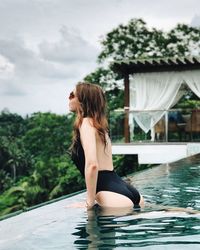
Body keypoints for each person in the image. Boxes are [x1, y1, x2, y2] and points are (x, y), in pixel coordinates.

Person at [68, 82, 144, 210]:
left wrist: (89, 203)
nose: (69, 98)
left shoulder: (86, 123)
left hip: (109, 193)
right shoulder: (100, 126)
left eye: (72, 95)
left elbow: (92, 165)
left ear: (82, 100)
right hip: (128, 191)